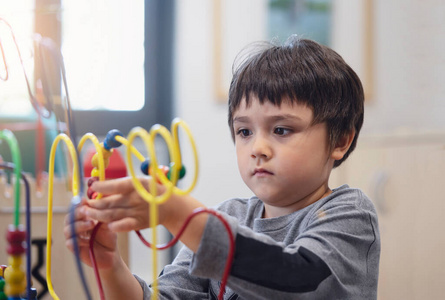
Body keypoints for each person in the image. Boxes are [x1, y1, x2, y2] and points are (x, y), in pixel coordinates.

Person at [64, 36, 380, 300]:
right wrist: (110, 265)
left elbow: (296, 278)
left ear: (340, 140)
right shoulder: (227, 216)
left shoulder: (350, 214)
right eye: (244, 131)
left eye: (281, 130)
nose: (258, 148)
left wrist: (179, 213)